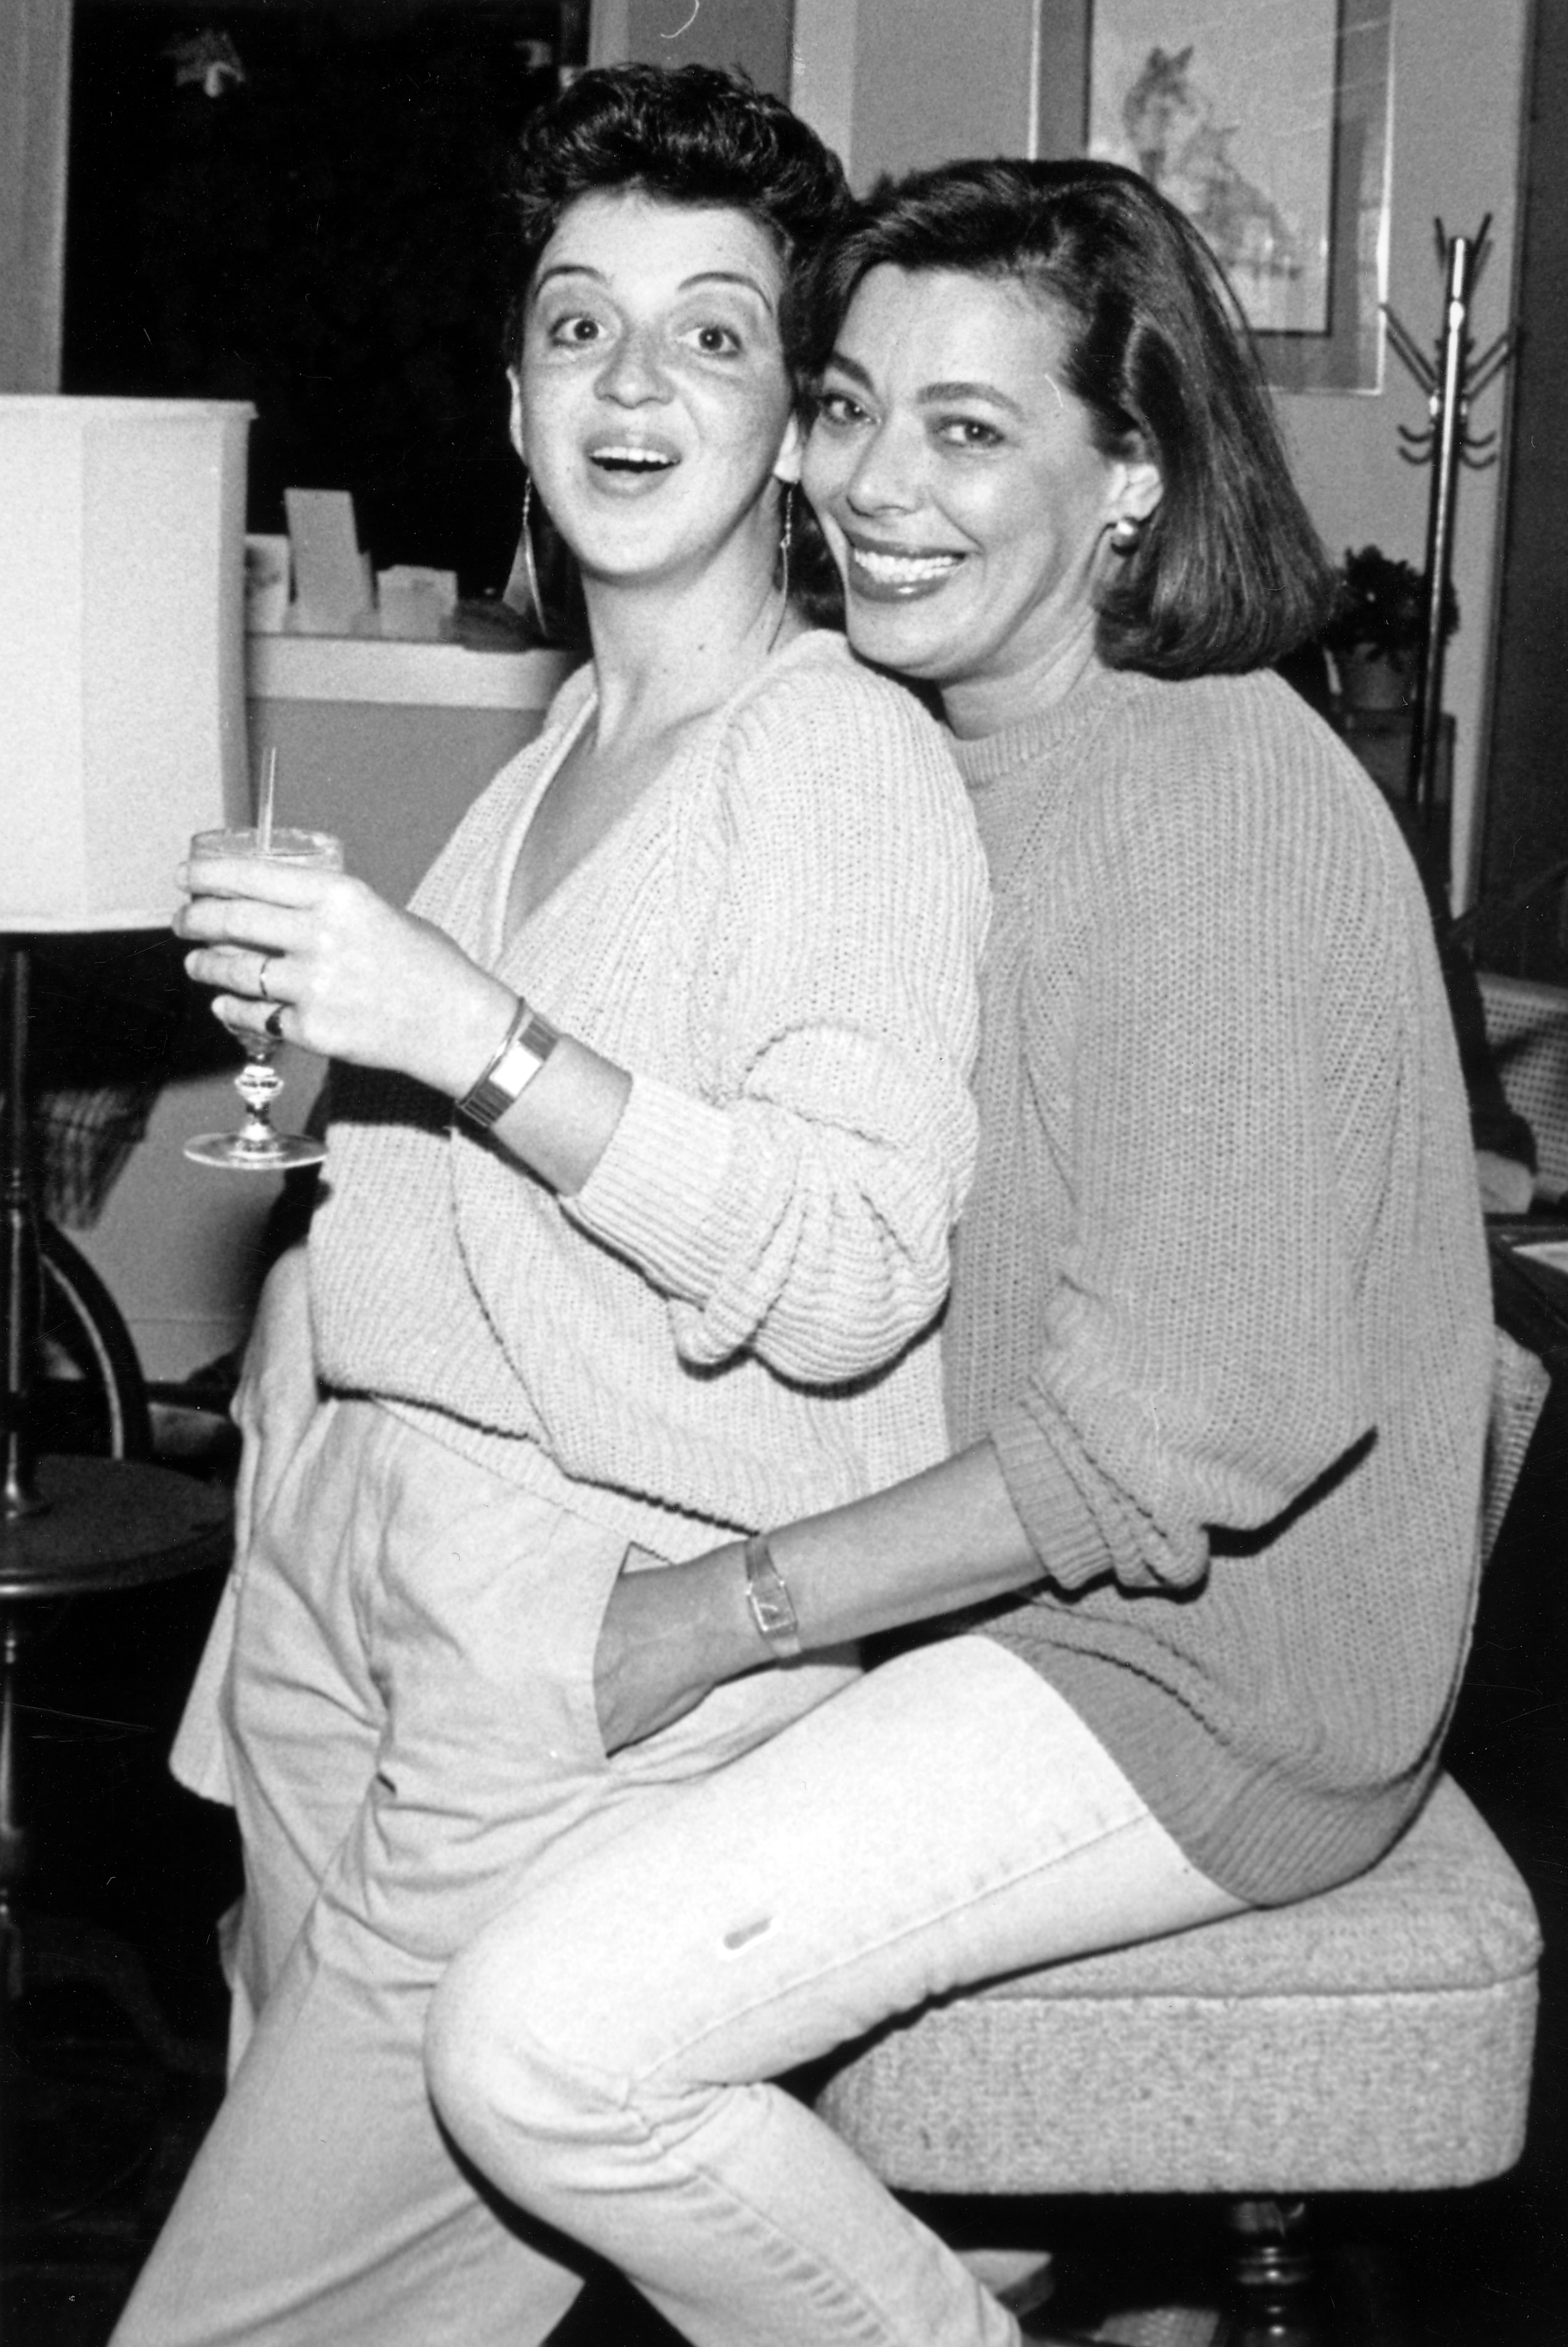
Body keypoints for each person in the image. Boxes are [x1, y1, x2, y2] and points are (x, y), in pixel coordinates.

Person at [420, 160, 1497, 2347]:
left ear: (1134, 477)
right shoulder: (921, 742)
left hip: (1202, 1687)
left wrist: (705, 1615)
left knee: (540, 2044)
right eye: (843, 406)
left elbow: (1184, 1435)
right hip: (1012, 1603)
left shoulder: (1208, 801)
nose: (869, 487)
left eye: (968, 429)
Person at [112, 68, 987, 2347]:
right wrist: (302, 1352)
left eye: (713, 335)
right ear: (514, 396)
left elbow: (852, 1265)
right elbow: (478, 1172)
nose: (631, 382)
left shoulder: (835, 754)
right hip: (353, 1556)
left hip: (565, 1601)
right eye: (579, 325)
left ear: (796, 429)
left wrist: (468, 1027)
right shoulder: (563, 742)